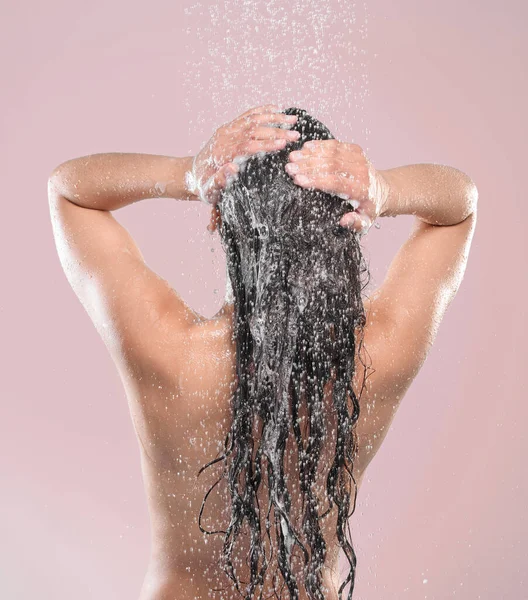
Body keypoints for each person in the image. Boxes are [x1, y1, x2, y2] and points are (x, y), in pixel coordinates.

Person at [47, 104, 478, 600]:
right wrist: (384, 189)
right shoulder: (377, 356)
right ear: (346, 227)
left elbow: (69, 190)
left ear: (218, 219)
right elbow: (459, 206)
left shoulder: (171, 353)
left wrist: (187, 173)